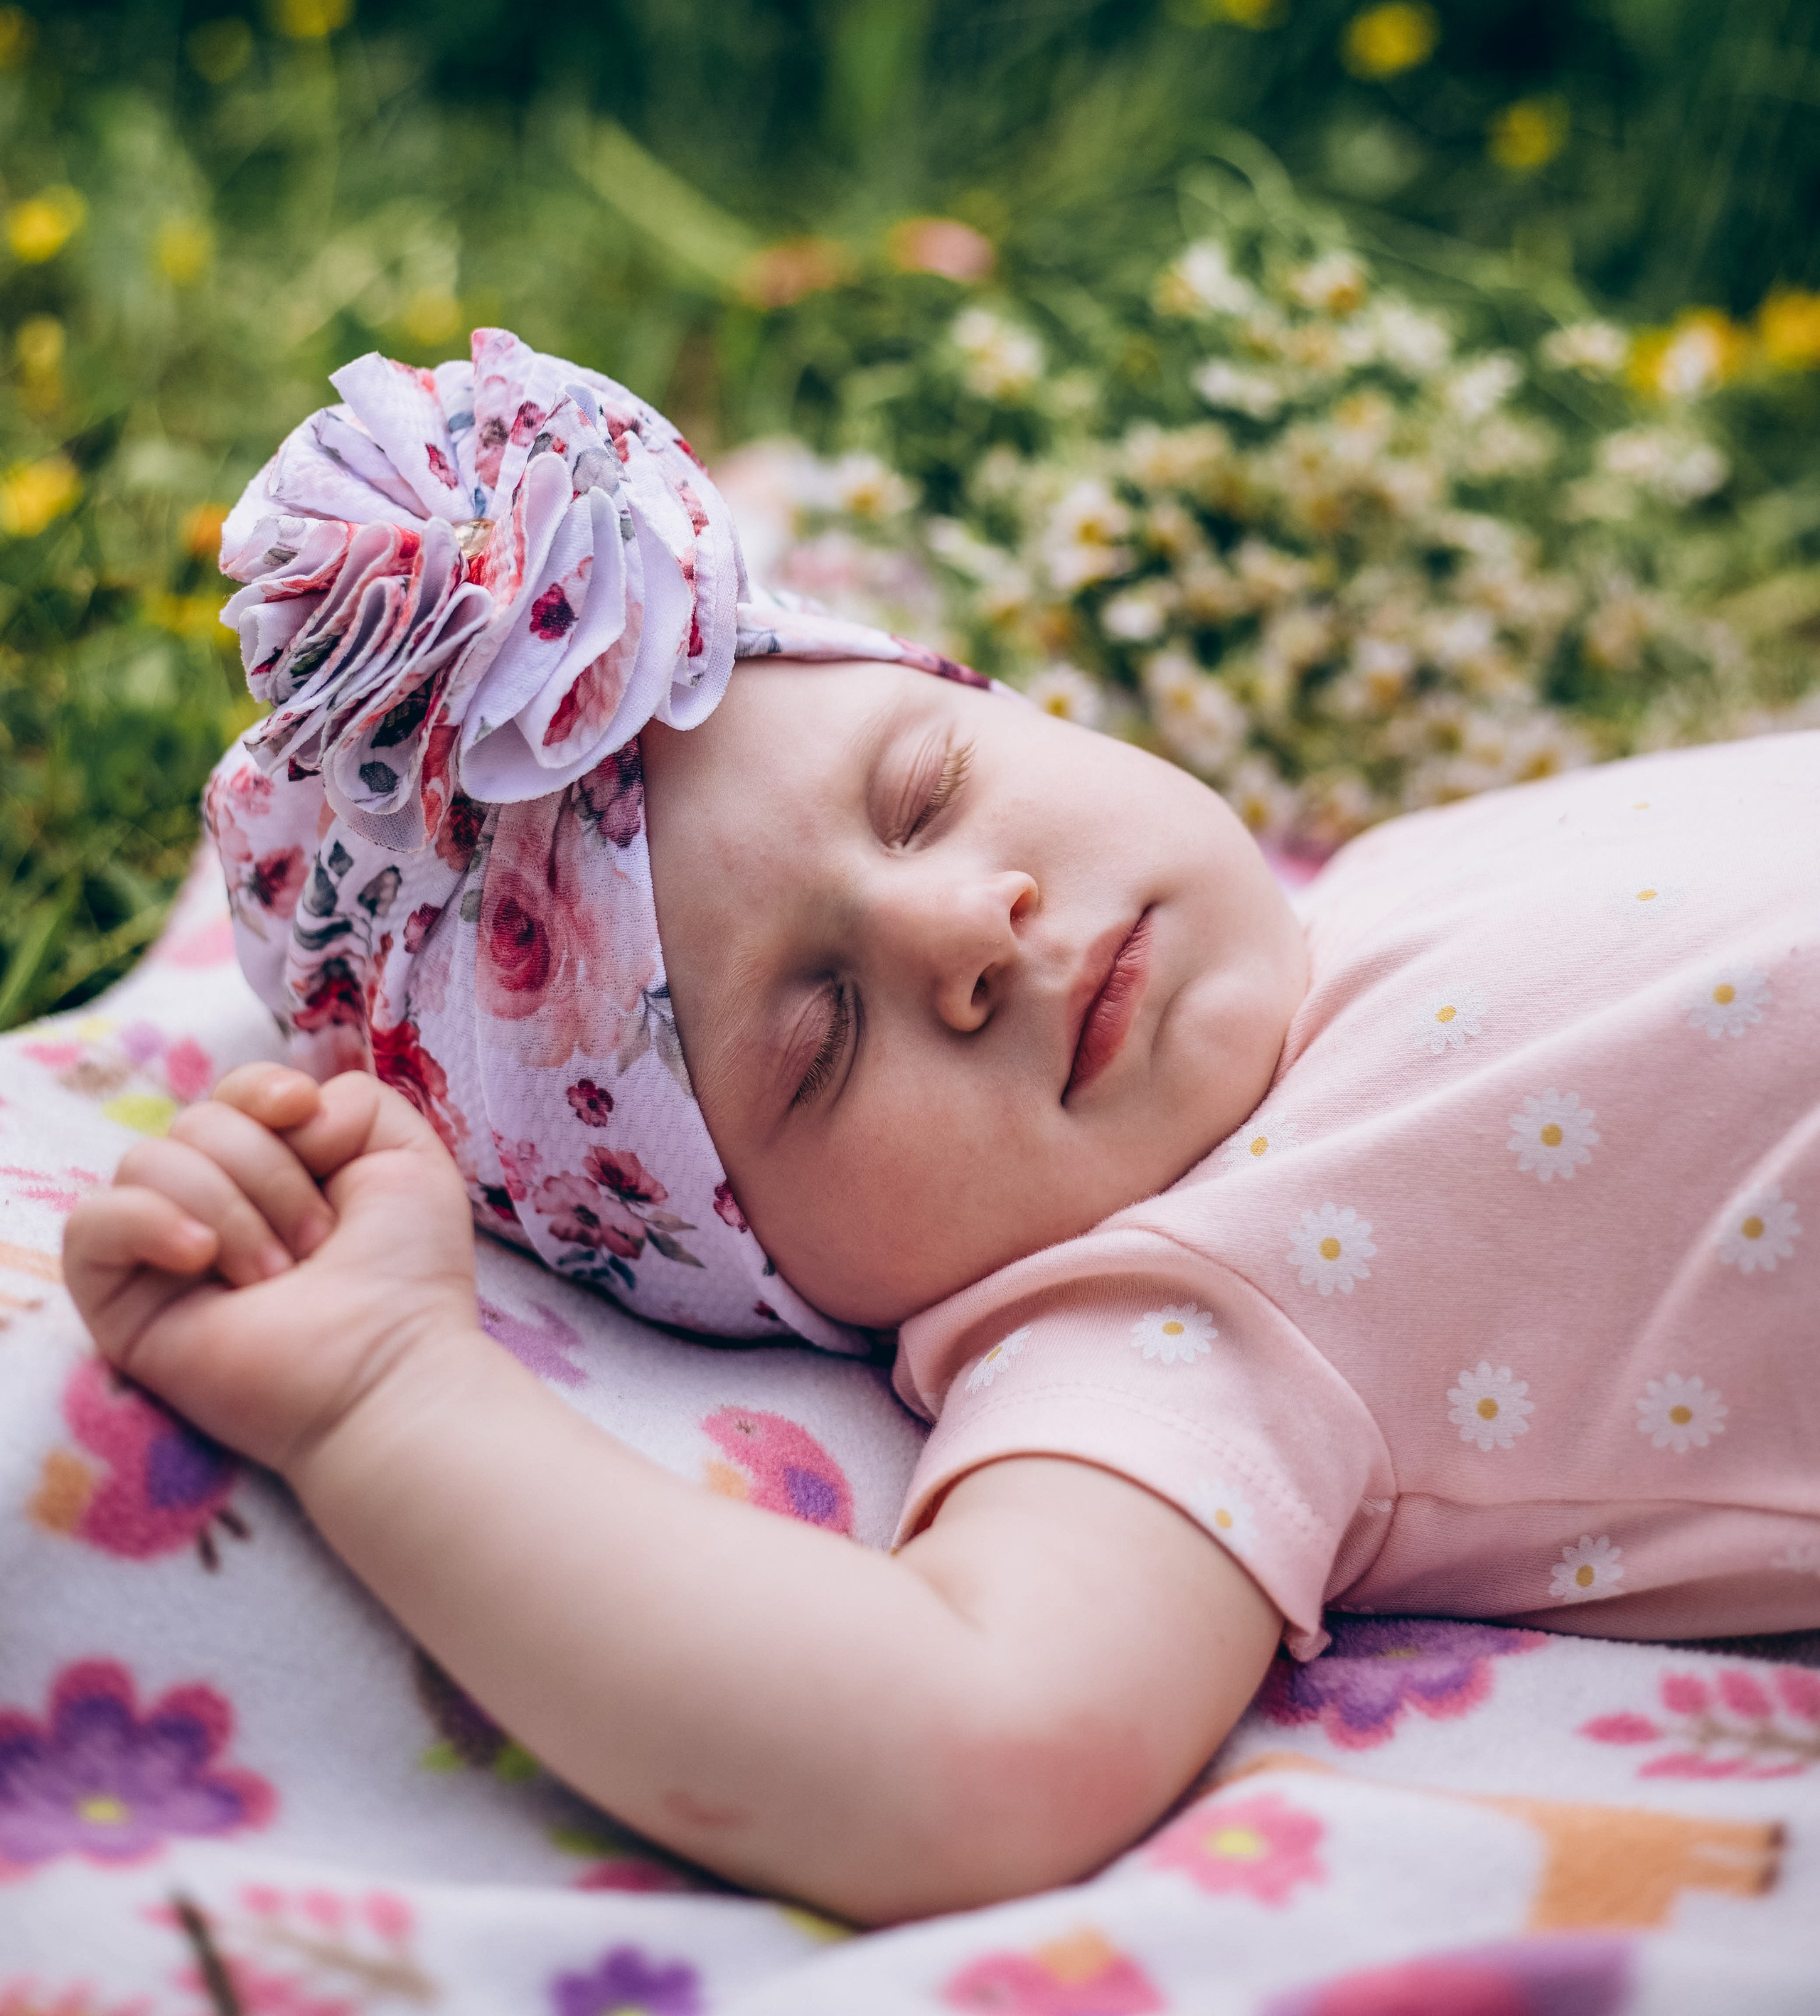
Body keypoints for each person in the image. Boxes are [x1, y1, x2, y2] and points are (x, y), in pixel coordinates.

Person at [63, 334, 1819, 1928]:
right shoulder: (1171, 1317)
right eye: (818, 1038)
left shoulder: (1350, 891)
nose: (966, 931)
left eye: (927, 793)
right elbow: (971, 1747)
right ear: (766, 1275)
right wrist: (385, 1392)